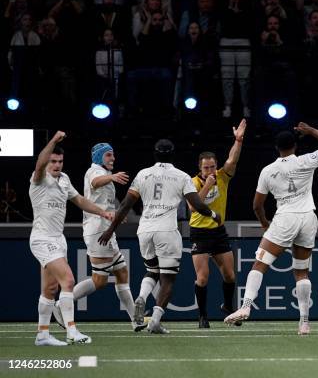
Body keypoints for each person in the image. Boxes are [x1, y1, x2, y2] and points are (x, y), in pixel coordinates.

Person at [223, 123, 318, 334]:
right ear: (295, 145)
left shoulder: (268, 171)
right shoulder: (307, 160)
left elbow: (256, 205)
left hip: (285, 218)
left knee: (260, 263)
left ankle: (246, 306)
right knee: (301, 271)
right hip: (308, 217)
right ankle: (304, 322)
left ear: (276, 148)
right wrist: (312, 131)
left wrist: (264, 224)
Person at [99, 139, 221, 334]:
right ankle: (155, 321)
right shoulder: (181, 176)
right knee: (168, 278)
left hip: (145, 230)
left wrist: (110, 229)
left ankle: (141, 296)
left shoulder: (143, 174)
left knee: (152, 270)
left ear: (154, 155)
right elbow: (197, 205)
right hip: (167, 231)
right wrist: (214, 215)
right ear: (173, 155)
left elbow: (125, 206)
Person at [29, 131, 114, 345]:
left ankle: (43, 334)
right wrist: (53, 141)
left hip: (58, 239)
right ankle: (71, 331)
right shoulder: (38, 178)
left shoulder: (65, 179)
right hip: (42, 239)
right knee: (68, 280)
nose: (57, 165)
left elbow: (80, 200)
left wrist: (101, 212)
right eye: (53, 161)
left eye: (60, 161)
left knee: (50, 289)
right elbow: (39, 164)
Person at [52, 143, 144, 332]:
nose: (113, 158)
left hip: (107, 229)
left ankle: (136, 319)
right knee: (99, 280)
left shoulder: (101, 172)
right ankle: (61, 304)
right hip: (97, 231)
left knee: (122, 272)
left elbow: (101, 201)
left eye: (113, 155)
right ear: (100, 157)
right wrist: (112, 176)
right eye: (109, 155)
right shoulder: (93, 171)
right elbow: (95, 182)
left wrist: (115, 215)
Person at [190, 119, 246, 328]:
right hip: (200, 233)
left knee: (230, 275)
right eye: (206, 168)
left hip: (219, 232)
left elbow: (233, 159)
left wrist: (238, 141)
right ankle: (203, 316)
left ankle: (228, 308)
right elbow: (195, 206)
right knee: (202, 278)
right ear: (200, 168)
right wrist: (208, 185)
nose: (210, 171)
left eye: (212, 166)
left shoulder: (222, 176)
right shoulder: (193, 182)